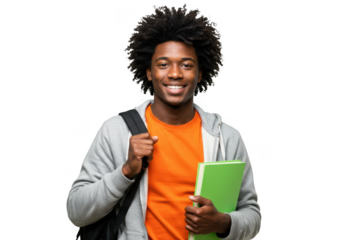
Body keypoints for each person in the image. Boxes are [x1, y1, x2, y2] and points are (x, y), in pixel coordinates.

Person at [66, 3, 261, 240]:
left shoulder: (227, 139)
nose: (175, 73)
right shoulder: (115, 131)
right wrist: (126, 171)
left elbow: (252, 216)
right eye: (163, 64)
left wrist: (223, 222)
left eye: (187, 65)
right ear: (149, 71)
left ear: (200, 73)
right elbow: (76, 212)